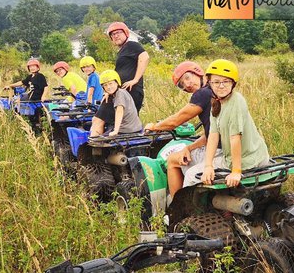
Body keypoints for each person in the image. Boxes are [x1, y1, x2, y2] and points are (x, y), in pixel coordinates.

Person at [144, 61, 223, 197]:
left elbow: (176, 120)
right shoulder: (216, 90)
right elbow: (212, 134)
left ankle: (176, 212)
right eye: (182, 84)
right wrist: (189, 148)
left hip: (220, 151)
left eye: (187, 77)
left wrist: (154, 127)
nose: (187, 84)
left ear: (197, 72)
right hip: (226, 145)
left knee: (172, 160)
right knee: (185, 154)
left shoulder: (202, 94)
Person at [201, 59, 270, 188]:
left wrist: (236, 171)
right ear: (209, 83)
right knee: (204, 169)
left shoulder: (237, 101)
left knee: (191, 174)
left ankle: (184, 208)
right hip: (236, 158)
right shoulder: (216, 102)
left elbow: (235, 138)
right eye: (216, 82)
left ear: (233, 83)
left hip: (249, 160)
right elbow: (213, 136)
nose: (221, 86)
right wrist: (208, 165)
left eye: (226, 81)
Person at [91, 22, 149, 135]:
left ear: (126, 33)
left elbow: (144, 57)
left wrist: (135, 79)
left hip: (129, 92)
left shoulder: (131, 45)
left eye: (118, 33)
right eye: (112, 34)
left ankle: (95, 150)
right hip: (119, 93)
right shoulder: (122, 51)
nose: (115, 36)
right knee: (116, 124)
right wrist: (109, 92)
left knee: (98, 120)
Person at [90, 70, 142, 137]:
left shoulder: (119, 94)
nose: (108, 87)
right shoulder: (121, 92)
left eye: (111, 83)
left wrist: (115, 131)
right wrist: (107, 94)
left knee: (98, 140)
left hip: (125, 130)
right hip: (134, 127)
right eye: (105, 85)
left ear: (117, 83)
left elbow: (119, 111)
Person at [4, 58, 49, 133]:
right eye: (30, 66)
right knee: (17, 103)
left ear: (38, 67)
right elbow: (21, 82)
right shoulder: (30, 77)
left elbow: (46, 87)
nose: (32, 68)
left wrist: (43, 96)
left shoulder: (40, 76)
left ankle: (38, 130)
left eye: (34, 66)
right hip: (30, 99)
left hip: (36, 100)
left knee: (37, 116)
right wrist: (10, 85)